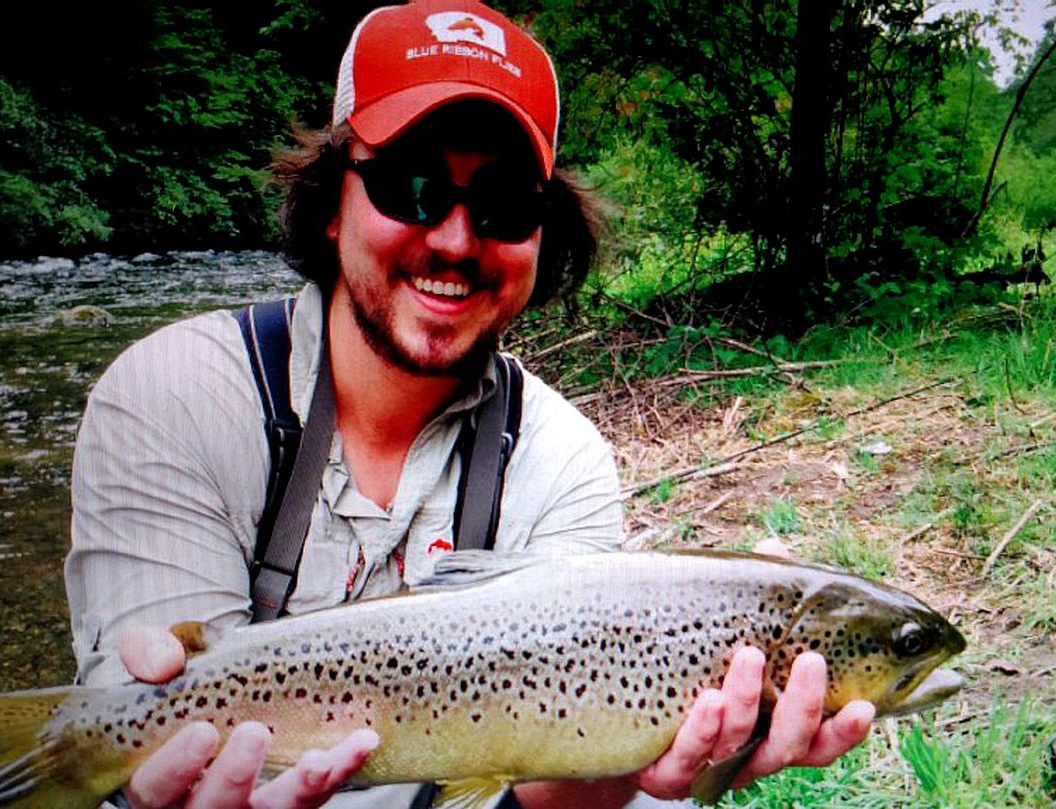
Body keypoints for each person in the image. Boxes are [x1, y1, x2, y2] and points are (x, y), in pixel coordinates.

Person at [64, 1, 875, 807]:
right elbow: (136, 728)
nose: (454, 239)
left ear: (544, 236)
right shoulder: (174, 394)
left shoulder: (563, 462)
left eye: (503, 205)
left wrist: (618, 771)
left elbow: (528, 789)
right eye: (411, 188)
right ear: (330, 203)